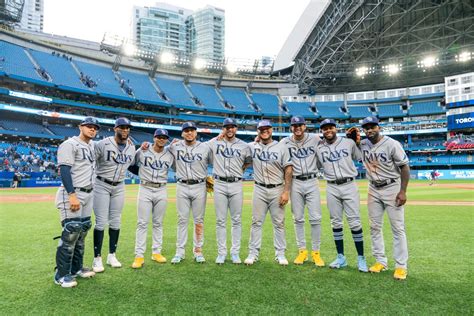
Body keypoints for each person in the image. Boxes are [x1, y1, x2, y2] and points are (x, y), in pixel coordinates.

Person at [359, 116, 410, 280]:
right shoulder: (363, 144)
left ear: (378, 127)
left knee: (397, 228)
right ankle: (380, 261)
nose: (369, 130)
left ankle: (401, 266)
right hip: (373, 187)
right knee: (374, 227)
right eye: (366, 127)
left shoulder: (392, 144)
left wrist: (402, 191)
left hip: (391, 187)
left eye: (372, 126)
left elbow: (404, 167)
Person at [315, 119, 368, 272]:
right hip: (331, 186)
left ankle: (361, 258)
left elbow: (360, 157)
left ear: (335, 129)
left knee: (355, 222)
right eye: (324, 129)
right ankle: (341, 257)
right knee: (336, 223)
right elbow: (316, 165)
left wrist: (358, 143)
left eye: (330, 127)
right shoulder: (319, 148)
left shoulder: (348, 143)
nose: (328, 131)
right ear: (322, 131)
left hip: (349, 185)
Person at [53, 116, 99, 287]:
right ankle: (61, 275)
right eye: (89, 126)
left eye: (95, 127)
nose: (92, 129)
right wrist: (71, 194)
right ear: (80, 127)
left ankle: (76, 268)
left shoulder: (93, 146)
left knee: (82, 231)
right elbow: (64, 169)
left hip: (88, 193)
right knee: (71, 232)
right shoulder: (69, 144)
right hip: (73, 192)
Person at [244, 120, 293, 266]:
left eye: (267, 129)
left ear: (271, 130)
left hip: (277, 188)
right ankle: (253, 253)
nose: (264, 131)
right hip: (259, 188)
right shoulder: (251, 146)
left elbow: (288, 169)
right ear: (257, 131)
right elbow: (243, 160)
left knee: (279, 223)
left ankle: (280, 254)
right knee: (256, 222)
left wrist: (286, 191)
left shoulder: (281, 147)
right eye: (261, 129)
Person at [92, 117, 136, 273]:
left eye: (127, 128)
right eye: (122, 127)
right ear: (115, 128)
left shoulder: (131, 147)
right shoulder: (102, 144)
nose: (125, 130)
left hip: (119, 186)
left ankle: (112, 255)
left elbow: (133, 167)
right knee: (101, 222)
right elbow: (91, 163)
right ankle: (97, 258)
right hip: (101, 184)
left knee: (116, 221)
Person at [280, 116, 325, 266]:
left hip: (312, 180)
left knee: (315, 218)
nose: (297, 127)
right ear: (291, 127)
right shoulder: (284, 142)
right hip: (295, 182)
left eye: (300, 125)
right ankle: (302, 251)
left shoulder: (315, 139)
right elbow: (270, 148)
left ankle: (316, 252)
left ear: (305, 126)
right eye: (294, 125)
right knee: (298, 218)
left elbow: (330, 145)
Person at [208, 118, 252, 264]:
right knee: (220, 220)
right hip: (219, 183)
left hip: (236, 183)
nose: (230, 129)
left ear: (236, 129)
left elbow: (249, 160)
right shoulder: (215, 142)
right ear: (223, 129)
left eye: (232, 127)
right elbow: (198, 147)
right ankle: (221, 253)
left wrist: (242, 168)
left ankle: (235, 252)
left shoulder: (244, 145)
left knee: (236, 220)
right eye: (227, 127)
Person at [130, 129, 175, 268]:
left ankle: (156, 252)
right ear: (154, 138)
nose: (162, 139)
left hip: (162, 188)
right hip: (145, 188)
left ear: (167, 139)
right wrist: (143, 173)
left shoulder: (170, 155)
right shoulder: (143, 150)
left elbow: (180, 167)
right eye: (159, 137)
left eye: (164, 137)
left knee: (158, 223)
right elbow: (131, 165)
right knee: (142, 223)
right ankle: (139, 255)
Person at [168, 122, 211, 264]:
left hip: (199, 185)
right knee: (182, 220)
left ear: (196, 133)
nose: (189, 133)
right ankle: (179, 252)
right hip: (182, 185)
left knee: (199, 220)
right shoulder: (174, 147)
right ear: (182, 133)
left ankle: (198, 251)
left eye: (192, 130)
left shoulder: (205, 147)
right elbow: (160, 149)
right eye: (186, 130)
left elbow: (216, 161)